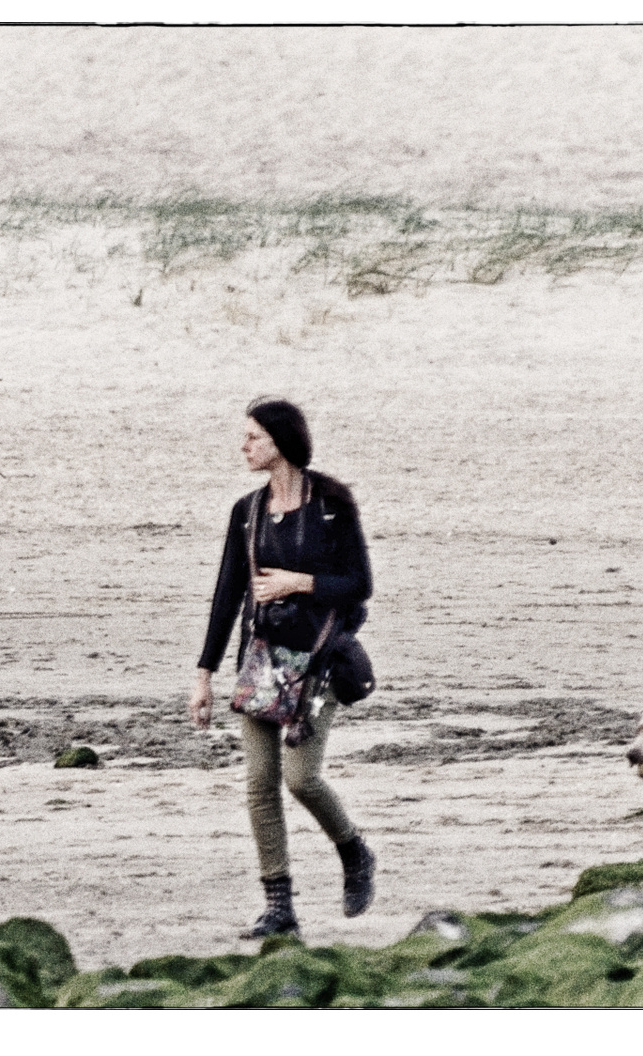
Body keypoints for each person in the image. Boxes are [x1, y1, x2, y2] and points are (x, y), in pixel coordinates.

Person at [190, 397, 376, 939]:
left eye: (253, 438)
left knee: (302, 778)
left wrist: (300, 582)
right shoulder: (245, 511)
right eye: (244, 438)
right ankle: (279, 907)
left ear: (281, 443)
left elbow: (360, 584)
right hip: (263, 659)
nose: (243, 447)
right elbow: (227, 594)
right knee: (259, 783)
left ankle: (355, 852)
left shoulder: (332, 503)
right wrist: (203, 673)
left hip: (319, 660)